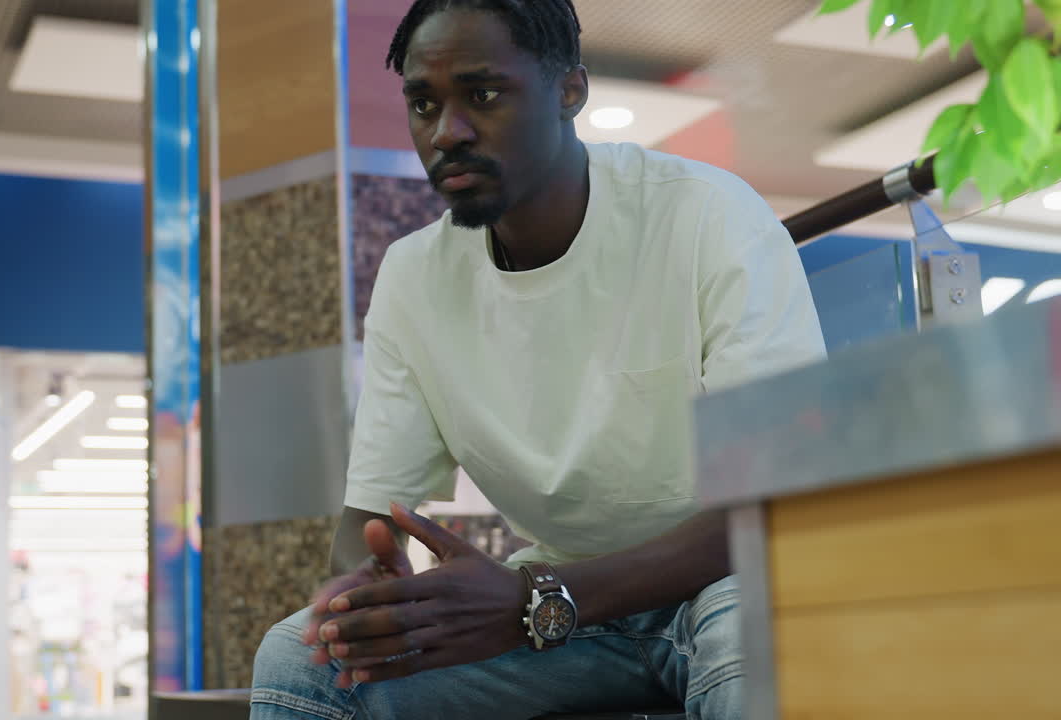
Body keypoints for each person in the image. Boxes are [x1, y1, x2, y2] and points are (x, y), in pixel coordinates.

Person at [251, 1, 825, 718]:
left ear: (570, 90)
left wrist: (539, 596)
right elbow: (370, 513)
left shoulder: (708, 216)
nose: (446, 132)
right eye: (423, 104)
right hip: (560, 606)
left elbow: (772, 507)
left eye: (482, 94)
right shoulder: (413, 275)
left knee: (756, 645)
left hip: (729, 579)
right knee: (297, 659)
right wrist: (368, 588)